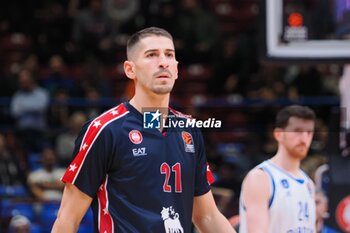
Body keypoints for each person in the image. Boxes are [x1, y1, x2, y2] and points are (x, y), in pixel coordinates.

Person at [51, 27, 235, 233]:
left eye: (169, 55)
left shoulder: (188, 130)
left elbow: (207, 216)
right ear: (130, 69)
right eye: (151, 55)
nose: (163, 61)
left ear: (176, 69)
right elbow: (67, 218)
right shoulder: (105, 130)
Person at [239, 105, 317, 233]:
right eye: (297, 131)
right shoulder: (261, 177)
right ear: (279, 134)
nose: (304, 138)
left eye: (309, 132)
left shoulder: (309, 184)